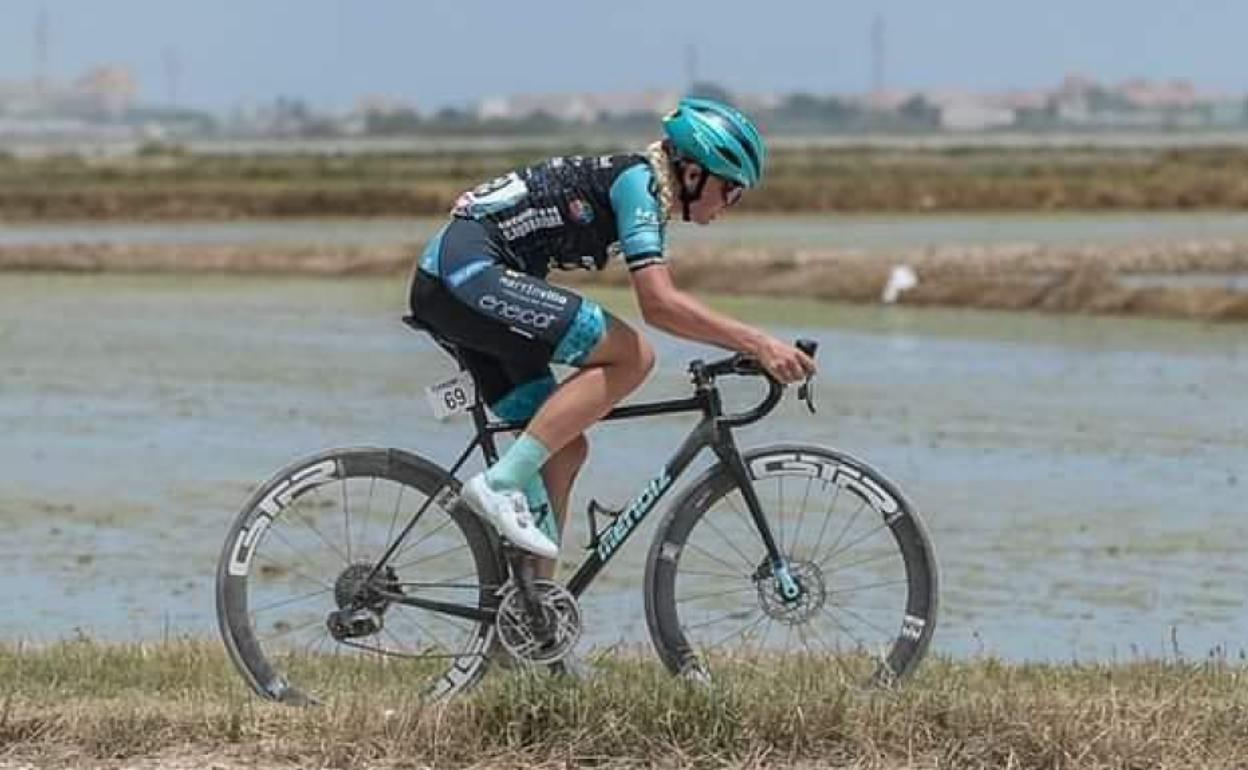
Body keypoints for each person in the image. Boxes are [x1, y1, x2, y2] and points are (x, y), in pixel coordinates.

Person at [408, 97, 816, 565]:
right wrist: (758, 342)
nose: (730, 204)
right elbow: (659, 304)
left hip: (450, 286)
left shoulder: (645, 187)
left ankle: (528, 619)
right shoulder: (637, 185)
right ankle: (498, 485)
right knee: (632, 355)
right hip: (466, 275)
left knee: (563, 450)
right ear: (692, 172)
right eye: (731, 190)